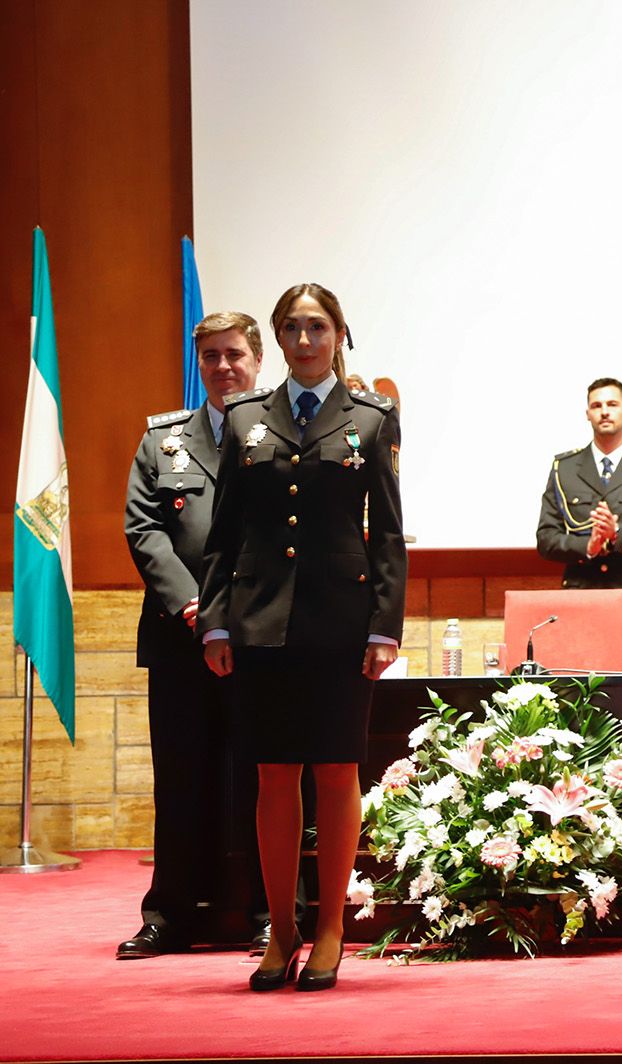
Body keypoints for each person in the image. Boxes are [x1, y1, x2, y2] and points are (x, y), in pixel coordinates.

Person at [199, 283, 406, 992]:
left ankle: (328, 927)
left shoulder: (372, 419)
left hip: (340, 627)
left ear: (340, 334)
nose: (305, 339)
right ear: (279, 340)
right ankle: (281, 927)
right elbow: (225, 530)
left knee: (336, 771)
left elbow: (388, 538)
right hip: (259, 623)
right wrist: (217, 618)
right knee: (274, 774)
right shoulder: (249, 417)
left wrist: (384, 626)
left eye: (317, 326)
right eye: (292, 327)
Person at [120, 312, 272, 958]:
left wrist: (235, 610)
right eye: (210, 356)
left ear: (257, 359)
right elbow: (144, 528)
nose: (223, 367)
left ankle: (271, 912)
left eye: (234, 354)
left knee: (265, 781)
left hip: (259, 639)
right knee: (178, 779)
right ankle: (169, 914)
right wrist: (193, 606)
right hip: (181, 641)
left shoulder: (280, 434)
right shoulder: (164, 442)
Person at [536, 378, 622, 671]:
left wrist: (619, 534)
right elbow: (546, 538)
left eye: (612, 404)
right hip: (581, 605)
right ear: (587, 413)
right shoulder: (564, 467)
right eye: (596, 405)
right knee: (579, 712)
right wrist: (585, 546)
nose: (604, 412)